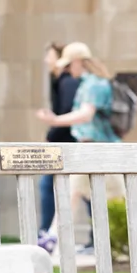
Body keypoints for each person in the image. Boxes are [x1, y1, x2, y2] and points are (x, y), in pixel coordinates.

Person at [35, 42, 123, 256]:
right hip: (90, 150)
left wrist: (55, 121)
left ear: (77, 62)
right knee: (73, 194)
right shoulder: (88, 84)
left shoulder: (94, 85)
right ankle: (53, 237)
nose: (67, 70)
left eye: (69, 65)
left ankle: (54, 237)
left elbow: (86, 114)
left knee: (119, 198)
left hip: (101, 151)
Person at [38, 42, 81, 238]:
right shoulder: (60, 81)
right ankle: (47, 232)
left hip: (70, 145)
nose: (47, 60)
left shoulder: (67, 82)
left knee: (48, 185)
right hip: (68, 144)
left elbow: (68, 114)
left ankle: (46, 232)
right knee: (83, 190)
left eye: (50, 56)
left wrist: (50, 136)